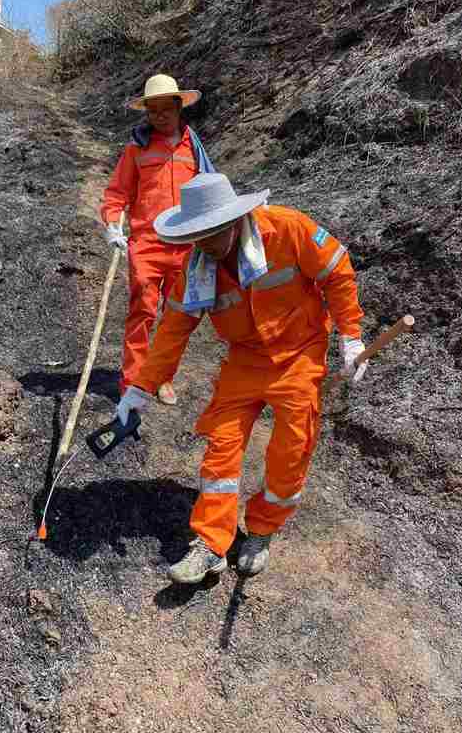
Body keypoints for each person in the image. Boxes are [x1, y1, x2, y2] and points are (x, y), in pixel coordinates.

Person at [116, 172, 367, 583]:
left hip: (300, 354)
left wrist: (351, 336)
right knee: (222, 445)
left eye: (213, 234)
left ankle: (263, 528)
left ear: (234, 220)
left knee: (292, 449)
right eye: (197, 237)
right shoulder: (197, 267)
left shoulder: (287, 229)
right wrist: (141, 388)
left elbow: (337, 273)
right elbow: (173, 329)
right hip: (245, 360)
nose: (206, 245)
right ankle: (211, 543)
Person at [100, 73, 215, 404]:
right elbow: (116, 193)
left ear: (179, 108)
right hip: (146, 244)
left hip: (186, 245)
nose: (160, 116)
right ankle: (132, 383)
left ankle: (163, 377)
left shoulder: (194, 148)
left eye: (166, 109)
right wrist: (112, 225)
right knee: (142, 313)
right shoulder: (136, 148)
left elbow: (210, 190)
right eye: (153, 111)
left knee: (176, 317)